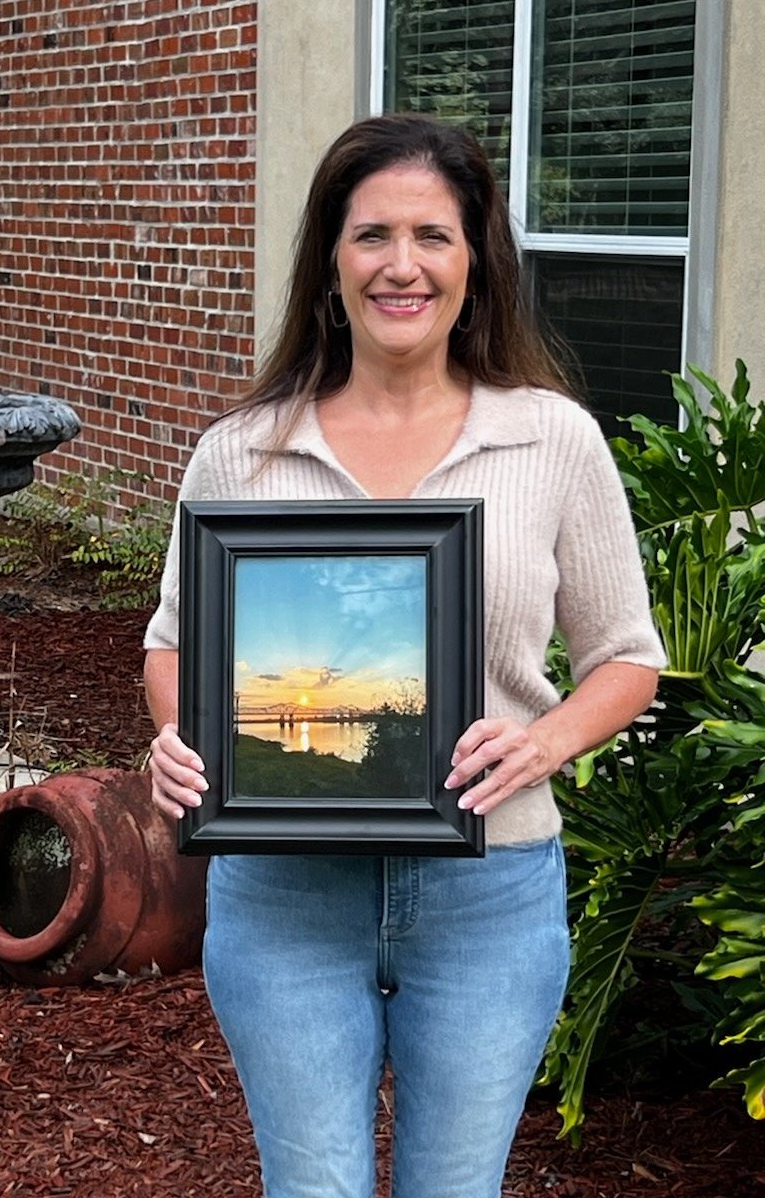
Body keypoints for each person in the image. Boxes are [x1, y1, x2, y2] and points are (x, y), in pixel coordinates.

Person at [142, 115, 664, 1198]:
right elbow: (174, 647)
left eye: (433, 235)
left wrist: (544, 742)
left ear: (476, 261)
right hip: (284, 897)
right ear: (332, 261)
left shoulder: (553, 440)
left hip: (493, 891)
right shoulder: (242, 450)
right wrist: (177, 740)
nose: (401, 264)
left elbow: (626, 657)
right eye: (371, 233)